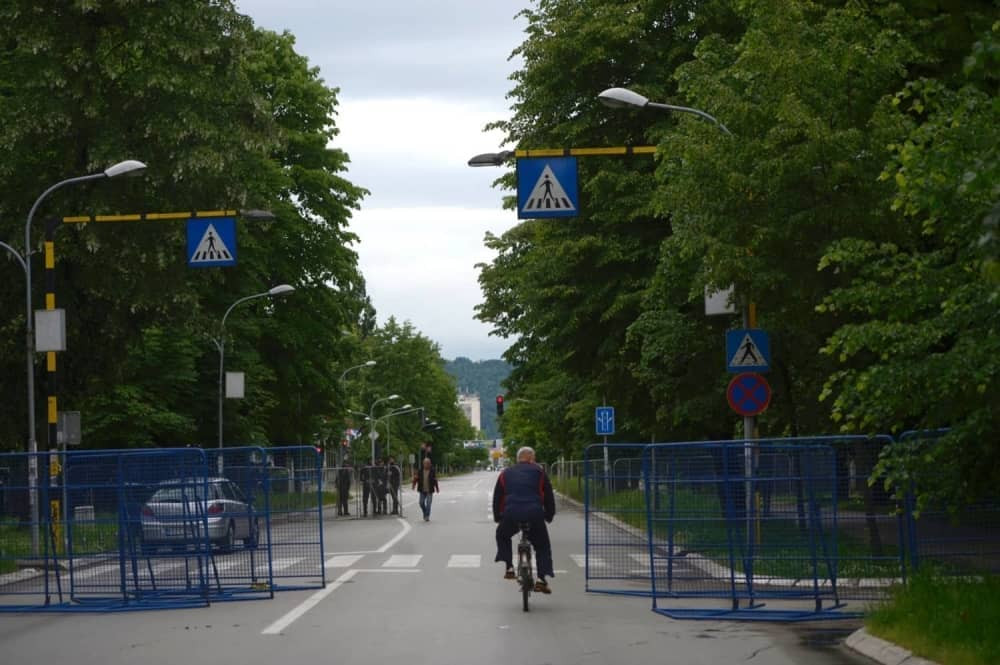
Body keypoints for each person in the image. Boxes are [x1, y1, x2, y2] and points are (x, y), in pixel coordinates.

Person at [493, 446, 556, 594]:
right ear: (531, 458)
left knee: (502, 534)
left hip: (512, 513)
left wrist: (498, 517)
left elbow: (498, 498)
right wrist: (549, 515)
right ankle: (541, 578)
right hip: (534, 514)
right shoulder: (540, 472)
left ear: (518, 458)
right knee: (542, 546)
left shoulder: (505, 473)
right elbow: (548, 496)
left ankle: (509, 566)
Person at [411, 457, 439, 521]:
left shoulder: (432, 471)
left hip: (430, 490)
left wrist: (437, 488)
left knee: (428, 504)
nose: (426, 464)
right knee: (421, 503)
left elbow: (435, 480)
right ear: (423, 464)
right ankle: (425, 512)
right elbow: (416, 479)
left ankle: (427, 516)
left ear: (429, 464)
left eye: (427, 463)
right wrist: (413, 485)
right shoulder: (420, 471)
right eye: (425, 463)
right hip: (422, 490)